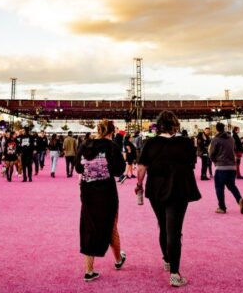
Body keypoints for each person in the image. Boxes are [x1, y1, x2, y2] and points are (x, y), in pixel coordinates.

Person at [136, 111, 200, 288]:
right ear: (175, 125)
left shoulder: (150, 143)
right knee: (174, 231)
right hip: (179, 189)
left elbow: (141, 167)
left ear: (159, 126)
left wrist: (139, 185)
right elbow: (191, 163)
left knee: (163, 226)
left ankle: (166, 259)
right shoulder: (185, 142)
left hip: (156, 190)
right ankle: (174, 274)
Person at [74, 119, 127, 282]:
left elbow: (78, 168)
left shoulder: (84, 145)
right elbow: (119, 170)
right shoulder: (112, 146)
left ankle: (89, 270)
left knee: (89, 226)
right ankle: (118, 259)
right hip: (106, 192)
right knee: (111, 226)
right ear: (112, 132)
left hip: (88, 192)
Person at [208, 122, 243, 215]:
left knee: (219, 187)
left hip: (221, 167)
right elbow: (234, 149)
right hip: (232, 167)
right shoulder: (231, 139)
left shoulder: (215, 139)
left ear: (216, 129)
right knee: (231, 186)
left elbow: (211, 154)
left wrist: (214, 161)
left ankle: (222, 207)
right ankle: (239, 199)